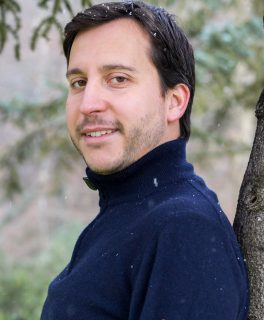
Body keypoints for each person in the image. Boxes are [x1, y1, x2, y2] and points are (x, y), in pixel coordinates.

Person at [41, 1, 249, 319]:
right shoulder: (126, 215)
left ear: (174, 102)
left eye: (118, 79)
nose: (88, 104)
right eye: (79, 83)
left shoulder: (183, 229)